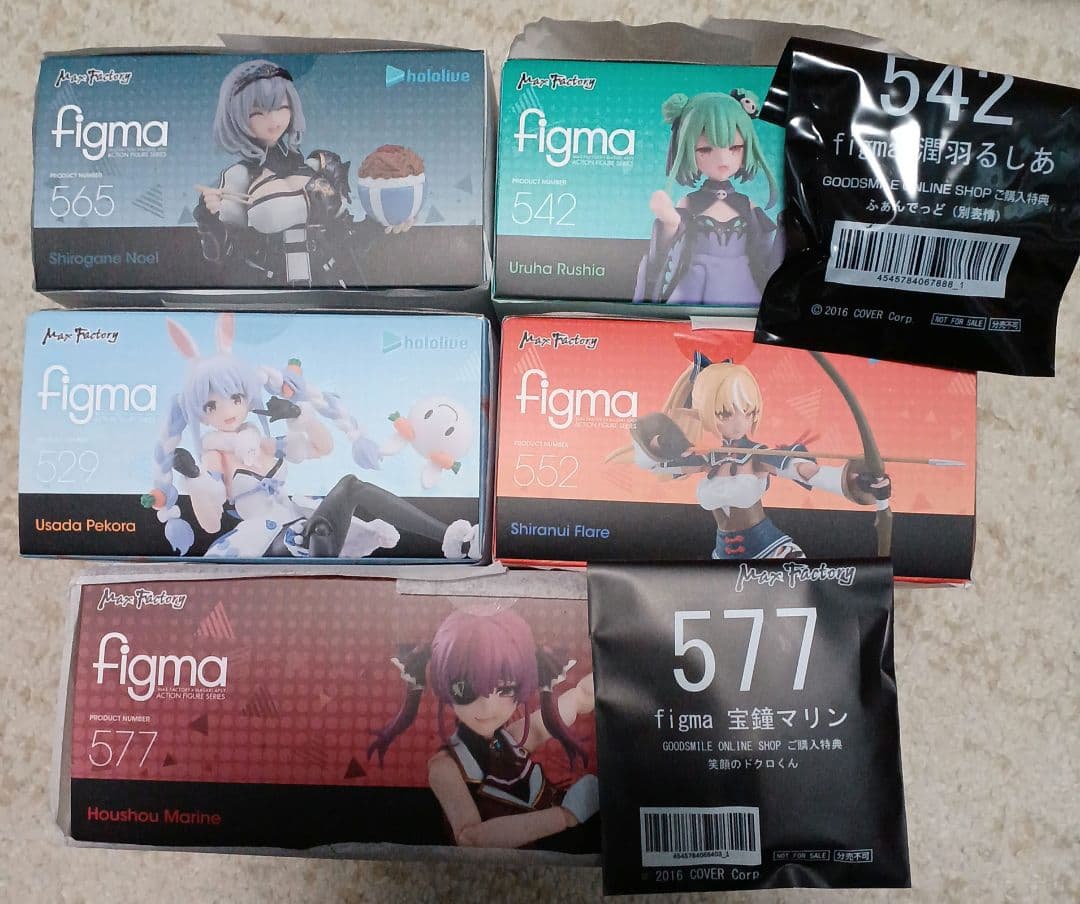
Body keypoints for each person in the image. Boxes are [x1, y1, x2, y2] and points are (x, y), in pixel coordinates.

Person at [141, 313, 479, 560]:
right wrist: (194, 477)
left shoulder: (264, 443)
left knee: (350, 486)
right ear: (200, 412)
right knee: (317, 532)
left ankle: (451, 537)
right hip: (266, 540)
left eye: (236, 398)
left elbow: (322, 447)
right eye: (211, 405)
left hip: (302, 519)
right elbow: (210, 522)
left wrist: (298, 414)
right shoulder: (215, 455)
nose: (227, 410)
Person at [621, 334, 891, 559]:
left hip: (768, 550)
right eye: (722, 413)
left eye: (745, 411)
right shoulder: (709, 458)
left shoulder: (758, 455)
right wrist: (661, 443)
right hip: (723, 555)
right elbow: (656, 465)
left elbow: (805, 471)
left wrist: (861, 481)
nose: (737, 420)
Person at [368, 607, 599, 849]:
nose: (488, 707)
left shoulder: (510, 740)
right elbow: (470, 838)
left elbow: (577, 700)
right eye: (466, 690)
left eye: (506, 689)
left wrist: (605, 679)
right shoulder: (446, 767)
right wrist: (566, 815)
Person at [193, 59, 409, 286]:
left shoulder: (320, 166)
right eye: (258, 112)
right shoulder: (238, 177)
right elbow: (222, 254)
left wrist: (382, 222)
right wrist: (209, 217)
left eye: (281, 108)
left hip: (329, 287)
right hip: (270, 291)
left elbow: (347, 241)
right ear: (238, 117)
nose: (273, 119)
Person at [633, 90, 783, 307]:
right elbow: (667, 245)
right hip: (696, 282)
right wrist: (669, 220)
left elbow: (763, 247)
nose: (723, 159)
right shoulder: (691, 202)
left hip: (740, 283)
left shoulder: (744, 203)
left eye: (734, 148)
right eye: (705, 149)